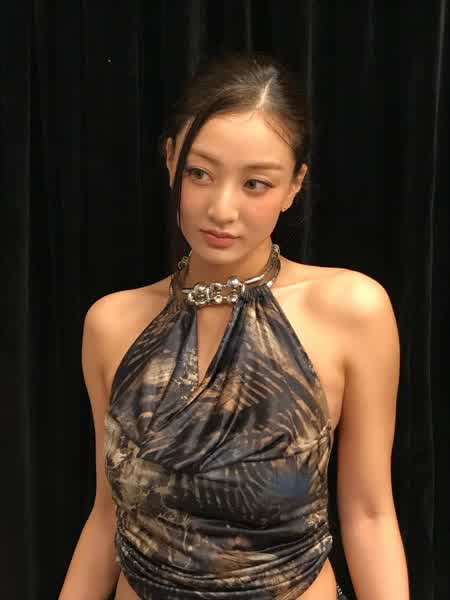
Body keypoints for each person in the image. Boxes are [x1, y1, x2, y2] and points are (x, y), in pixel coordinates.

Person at [59, 51, 409, 600]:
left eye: (256, 184)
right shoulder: (111, 324)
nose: (221, 209)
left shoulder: (351, 311)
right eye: (199, 173)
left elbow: (370, 514)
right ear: (170, 160)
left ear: (294, 185)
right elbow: (108, 517)